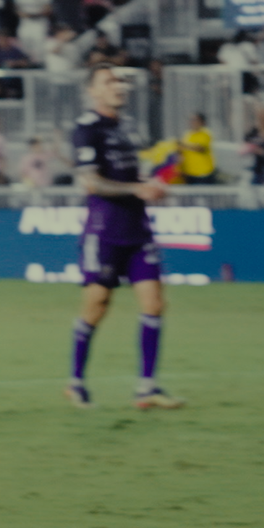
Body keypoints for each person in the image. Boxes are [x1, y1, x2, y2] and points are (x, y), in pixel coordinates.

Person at [67, 67, 184, 412]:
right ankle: (75, 382)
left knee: (155, 303)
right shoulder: (85, 129)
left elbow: (130, 176)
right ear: (93, 91)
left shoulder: (126, 128)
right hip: (104, 231)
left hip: (138, 229)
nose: (118, 87)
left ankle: (146, 388)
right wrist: (137, 188)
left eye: (120, 81)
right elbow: (92, 183)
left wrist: (153, 184)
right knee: (96, 307)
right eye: (108, 81)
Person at [176, 113, 218, 185]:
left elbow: (201, 148)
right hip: (188, 172)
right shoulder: (187, 134)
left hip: (203, 172)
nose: (192, 122)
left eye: (195, 120)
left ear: (202, 122)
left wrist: (184, 145)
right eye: (191, 120)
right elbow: (181, 150)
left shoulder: (205, 133)